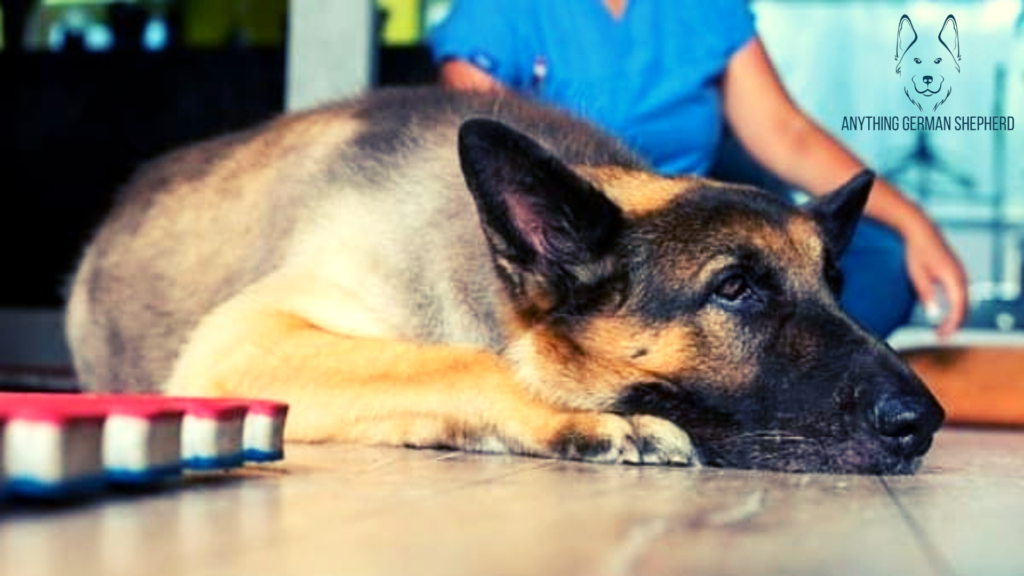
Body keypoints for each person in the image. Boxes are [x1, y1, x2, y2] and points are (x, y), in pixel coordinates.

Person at [427, 0, 968, 339]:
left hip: (703, 247)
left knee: (878, 257)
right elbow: (494, 166)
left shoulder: (707, 7)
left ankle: (751, 371)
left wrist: (913, 221)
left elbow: (786, 132)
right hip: (594, 259)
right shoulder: (494, 12)